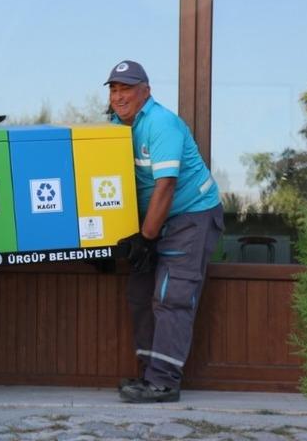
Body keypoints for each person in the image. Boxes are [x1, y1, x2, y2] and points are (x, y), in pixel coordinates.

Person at [107, 60, 224, 403]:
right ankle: (148, 374)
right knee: (141, 294)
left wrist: (146, 238)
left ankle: (163, 382)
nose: (118, 96)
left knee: (172, 296)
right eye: (113, 89)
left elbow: (166, 186)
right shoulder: (116, 127)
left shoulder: (161, 123)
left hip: (191, 214)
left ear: (146, 91)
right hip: (154, 219)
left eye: (126, 88)